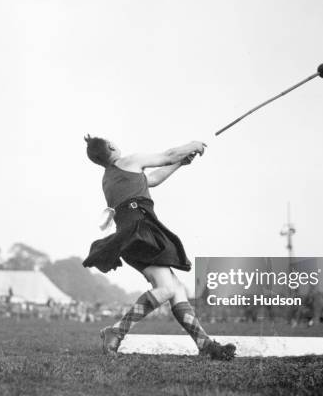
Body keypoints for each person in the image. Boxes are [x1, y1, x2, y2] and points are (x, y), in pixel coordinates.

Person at [82, 135, 236, 360]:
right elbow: (166, 156)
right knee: (166, 289)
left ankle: (205, 344)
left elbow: (151, 180)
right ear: (112, 146)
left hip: (130, 234)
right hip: (141, 231)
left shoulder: (109, 177)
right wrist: (192, 145)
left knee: (176, 288)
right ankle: (117, 331)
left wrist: (179, 164)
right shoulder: (128, 161)